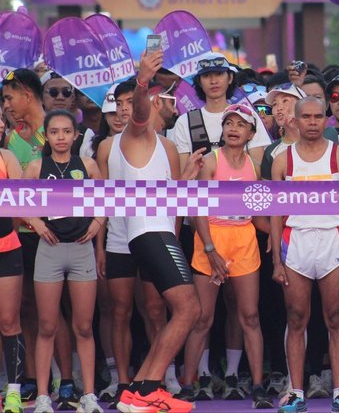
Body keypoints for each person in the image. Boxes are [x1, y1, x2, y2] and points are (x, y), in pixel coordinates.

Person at [114, 49, 201, 413]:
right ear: (153, 101)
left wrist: (185, 181)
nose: (173, 101)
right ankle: (149, 389)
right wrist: (142, 82)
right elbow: (136, 113)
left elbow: (171, 202)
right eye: (166, 96)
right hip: (148, 232)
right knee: (189, 310)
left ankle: (138, 392)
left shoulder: (163, 147)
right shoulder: (139, 135)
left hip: (157, 230)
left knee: (178, 311)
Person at [181, 103, 273, 409]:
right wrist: (210, 249)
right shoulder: (210, 161)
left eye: (240, 124)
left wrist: (276, 231)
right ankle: (189, 384)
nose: (233, 128)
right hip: (210, 238)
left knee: (250, 315)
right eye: (228, 123)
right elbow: (196, 209)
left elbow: (258, 216)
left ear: (251, 132)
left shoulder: (256, 166)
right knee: (202, 318)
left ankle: (258, 386)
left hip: (244, 239)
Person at [271, 96, 339, 413]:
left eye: (317, 116)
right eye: (305, 116)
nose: (311, 122)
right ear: (294, 119)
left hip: (333, 241)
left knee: (336, 317)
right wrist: (277, 261)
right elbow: (275, 213)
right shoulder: (284, 159)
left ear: (326, 119)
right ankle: (296, 391)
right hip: (295, 243)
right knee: (296, 319)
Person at [22, 109, 104, 413]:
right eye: (54, 132)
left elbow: (106, 197)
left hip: (81, 249)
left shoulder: (88, 164)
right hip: (50, 249)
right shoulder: (35, 167)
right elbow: (18, 201)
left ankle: (89, 395)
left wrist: (97, 222)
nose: (60, 137)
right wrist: (37, 225)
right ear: (47, 134)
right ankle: (44, 396)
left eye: (66, 132)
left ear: (75, 135)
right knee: (47, 325)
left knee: (83, 326)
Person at [2, 68, 45, 405]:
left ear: (26, 94)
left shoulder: (57, 129)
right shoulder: (11, 139)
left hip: (56, 236)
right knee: (26, 309)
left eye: (9, 97)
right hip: (21, 237)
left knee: (55, 314)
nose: (6, 106)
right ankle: (28, 380)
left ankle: (63, 382)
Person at [0, 137, 25, 413]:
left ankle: (14, 394)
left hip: (6, 246)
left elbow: (21, 199)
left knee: (9, 321)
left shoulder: (6, 157)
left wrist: (11, 231)